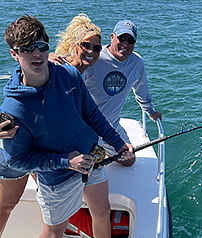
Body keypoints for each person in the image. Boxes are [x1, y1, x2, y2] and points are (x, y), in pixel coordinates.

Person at [2, 15, 134, 238]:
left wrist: (118, 144)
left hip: (91, 157)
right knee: (54, 232)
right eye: (27, 49)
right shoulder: (15, 110)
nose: (36, 54)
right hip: (58, 178)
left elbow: (92, 115)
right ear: (14, 54)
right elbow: (16, 160)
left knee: (102, 209)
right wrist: (65, 161)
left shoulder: (69, 74)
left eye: (41, 46)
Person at [52, 19, 162, 166]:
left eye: (130, 40)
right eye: (122, 38)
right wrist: (48, 57)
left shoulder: (137, 63)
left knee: (129, 160)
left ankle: (101, 150)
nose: (125, 44)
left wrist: (150, 110)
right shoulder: (93, 55)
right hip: (87, 125)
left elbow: (141, 89)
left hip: (112, 125)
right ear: (112, 37)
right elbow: (71, 63)